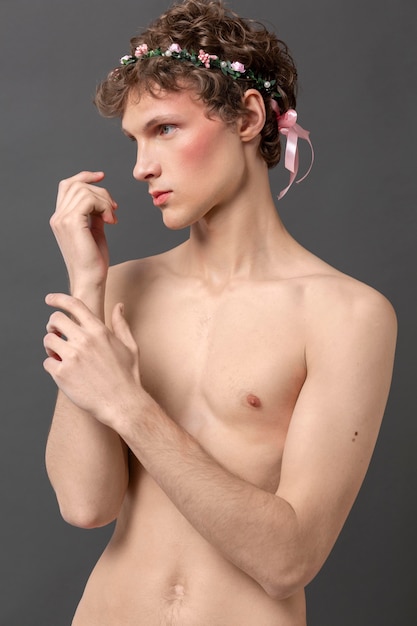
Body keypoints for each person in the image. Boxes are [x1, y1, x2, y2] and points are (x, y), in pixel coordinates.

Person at [43, 1, 397, 624]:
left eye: (166, 129)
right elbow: (84, 504)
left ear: (249, 117)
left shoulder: (347, 314)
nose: (140, 166)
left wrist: (128, 404)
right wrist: (87, 285)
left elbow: (289, 558)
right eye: (134, 139)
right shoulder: (119, 288)